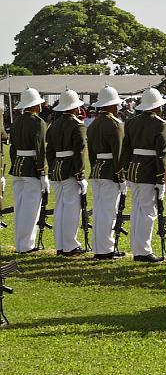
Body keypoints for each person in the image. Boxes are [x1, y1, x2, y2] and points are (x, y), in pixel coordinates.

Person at [120, 87, 166, 263]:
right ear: (156, 106)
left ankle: (137, 248)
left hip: (133, 169)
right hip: (149, 170)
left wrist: (124, 170)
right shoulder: (160, 124)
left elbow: (125, 149)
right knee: (148, 212)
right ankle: (143, 250)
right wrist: (161, 178)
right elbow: (161, 154)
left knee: (137, 210)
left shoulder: (131, 122)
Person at [46, 89, 88, 256]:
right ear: (74, 108)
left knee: (60, 208)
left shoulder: (53, 125)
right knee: (71, 209)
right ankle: (70, 246)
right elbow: (79, 152)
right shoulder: (78, 125)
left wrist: (52, 167)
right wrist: (80, 174)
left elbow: (50, 151)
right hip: (70, 169)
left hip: (56, 168)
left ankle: (61, 245)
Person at [87, 84, 127, 260]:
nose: (118, 107)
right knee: (108, 213)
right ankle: (105, 250)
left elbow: (91, 153)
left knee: (99, 211)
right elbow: (118, 153)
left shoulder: (93, 124)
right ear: (111, 105)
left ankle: (100, 248)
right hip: (110, 171)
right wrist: (121, 175)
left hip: (97, 170)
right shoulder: (115, 124)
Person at [9, 87, 48, 253]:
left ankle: (20, 243)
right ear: (35, 106)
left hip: (18, 167)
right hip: (31, 169)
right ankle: (26, 245)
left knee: (19, 208)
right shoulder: (38, 122)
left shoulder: (16, 121)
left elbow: (12, 148)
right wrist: (43, 172)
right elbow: (40, 150)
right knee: (31, 210)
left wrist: (15, 163)